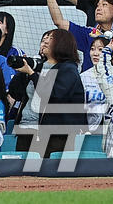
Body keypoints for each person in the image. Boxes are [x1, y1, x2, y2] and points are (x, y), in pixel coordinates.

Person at [11, 28, 87, 158]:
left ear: (63, 43)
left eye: (51, 38)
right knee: (23, 174)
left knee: (49, 174)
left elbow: (54, 94)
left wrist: (32, 74)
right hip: (27, 129)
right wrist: (21, 72)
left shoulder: (68, 69)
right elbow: (16, 94)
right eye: (44, 39)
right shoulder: (37, 67)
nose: (45, 41)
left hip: (56, 133)